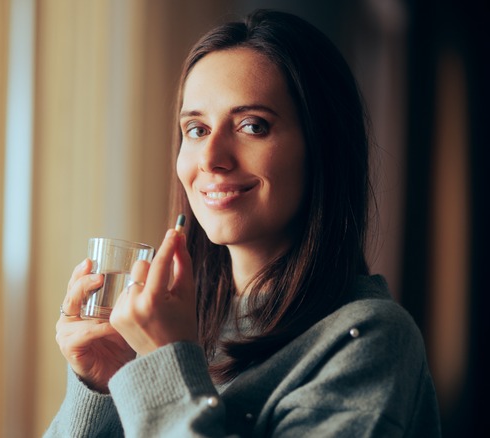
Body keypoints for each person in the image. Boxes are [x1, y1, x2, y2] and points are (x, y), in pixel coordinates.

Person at [45, 9, 441, 437]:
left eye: (252, 126)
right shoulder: (173, 325)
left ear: (323, 147)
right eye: (196, 129)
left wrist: (167, 364)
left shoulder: (367, 340)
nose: (211, 158)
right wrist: (100, 386)